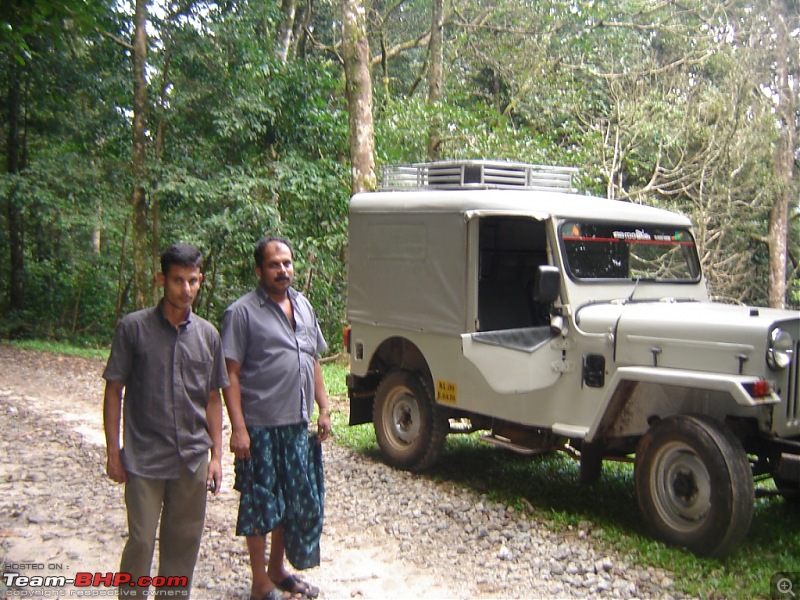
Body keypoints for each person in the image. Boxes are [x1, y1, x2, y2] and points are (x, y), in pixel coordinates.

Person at [103, 243, 228, 599]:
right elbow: (114, 391)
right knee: (141, 541)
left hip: (192, 458)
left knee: (183, 542)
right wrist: (114, 451)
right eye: (177, 280)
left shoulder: (208, 336)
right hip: (144, 457)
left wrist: (216, 456)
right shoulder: (133, 328)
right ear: (162, 280)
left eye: (192, 281)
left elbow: (212, 398)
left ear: (200, 280)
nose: (185, 289)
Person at [221, 236, 331, 600]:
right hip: (260, 426)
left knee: (291, 498)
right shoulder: (241, 313)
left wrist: (325, 407)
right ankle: (259, 582)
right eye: (274, 264)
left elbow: (313, 359)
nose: (282, 270)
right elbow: (230, 373)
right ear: (259, 270)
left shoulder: (302, 304)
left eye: (287, 262)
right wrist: (238, 428)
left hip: (297, 424)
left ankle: (278, 568)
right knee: (260, 503)